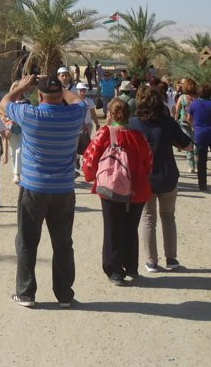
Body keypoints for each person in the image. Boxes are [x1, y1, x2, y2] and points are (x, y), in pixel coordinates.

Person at [1, 74, 89, 309]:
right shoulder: (74, 115)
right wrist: (63, 89)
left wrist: (22, 87)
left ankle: (26, 293)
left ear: (38, 95)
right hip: (63, 189)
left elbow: (5, 102)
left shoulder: (31, 115)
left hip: (34, 188)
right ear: (60, 95)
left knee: (28, 241)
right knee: (62, 243)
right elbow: (78, 101)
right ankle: (64, 295)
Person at [81, 97, 153, 285]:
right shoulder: (139, 136)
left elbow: (90, 156)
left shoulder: (105, 133)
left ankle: (114, 271)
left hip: (111, 188)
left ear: (111, 114)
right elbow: (148, 162)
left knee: (113, 228)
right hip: (137, 188)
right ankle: (131, 266)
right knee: (131, 227)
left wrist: (90, 176)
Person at [130, 85, 193, 272]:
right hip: (167, 175)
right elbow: (188, 145)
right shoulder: (168, 123)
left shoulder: (133, 123)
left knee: (148, 219)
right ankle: (171, 259)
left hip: (144, 178)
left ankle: (151, 261)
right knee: (168, 217)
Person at [175, 78, 198, 174]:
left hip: (184, 122)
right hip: (196, 122)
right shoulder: (197, 98)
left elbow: (177, 112)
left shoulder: (182, 97)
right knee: (196, 143)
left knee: (188, 144)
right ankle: (197, 165)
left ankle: (191, 166)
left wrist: (175, 121)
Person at [1, 105, 24, 186]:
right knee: (13, 154)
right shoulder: (7, 104)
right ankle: (16, 173)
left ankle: (17, 173)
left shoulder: (26, 102)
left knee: (19, 151)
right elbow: (3, 117)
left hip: (22, 131)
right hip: (11, 132)